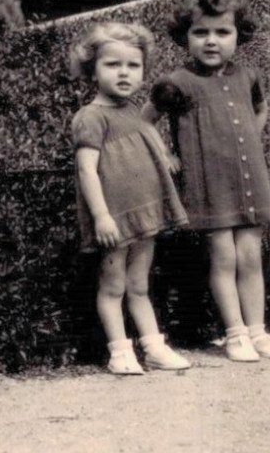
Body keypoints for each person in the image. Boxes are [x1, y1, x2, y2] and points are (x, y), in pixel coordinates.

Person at [142, 0, 270, 363]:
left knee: (250, 256)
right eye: (201, 32)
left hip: (250, 180)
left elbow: (260, 109)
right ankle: (235, 333)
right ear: (185, 37)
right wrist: (165, 155)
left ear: (238, 35)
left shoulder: (249, 76)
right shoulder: (176, 83)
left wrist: (252, 141)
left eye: (222, 32)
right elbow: (145, 121)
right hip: (210, 184)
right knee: (224, 257)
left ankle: (258, 332)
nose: (212, 41)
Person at [70, 22, 190, 376]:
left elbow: (144, 141)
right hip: (115, 218)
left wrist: (164, 155)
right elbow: (86, 171)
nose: (124, 73)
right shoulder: (91, 117)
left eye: (133, 65)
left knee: (139, 284)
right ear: (92, 69)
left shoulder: (133, 112)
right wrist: (101, 215)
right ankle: (120, 351)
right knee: (113, 285)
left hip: (143, 215)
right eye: (112, 64)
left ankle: (153, 347)